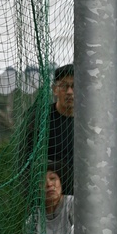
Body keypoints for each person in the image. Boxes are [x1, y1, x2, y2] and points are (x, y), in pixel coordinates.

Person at [22, 64, 75, 195]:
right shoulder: (39, 119)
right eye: (64, 86)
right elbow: (24, 162)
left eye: (75, 86)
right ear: (55, 89)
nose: (70, 92)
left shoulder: (91, 121)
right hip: (47, 195)